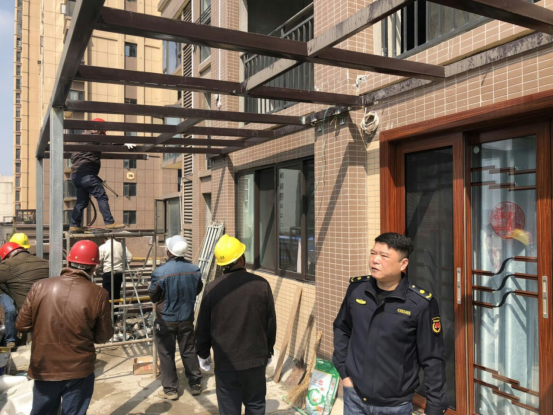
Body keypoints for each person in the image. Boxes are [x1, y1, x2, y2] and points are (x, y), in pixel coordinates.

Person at [333, 232, 448, 415]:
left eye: (384, 256)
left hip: (394, 406)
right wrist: (344, 372)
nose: (375, 260)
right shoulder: (357, 290)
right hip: (354, 397)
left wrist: (434, 407)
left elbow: (432, 358)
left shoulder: (420, 303)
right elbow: (341, 328)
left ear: (403, 264)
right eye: (373, 253)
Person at [15, 240, 113, 415]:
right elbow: (103, 336)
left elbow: (22, 325)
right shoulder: (99, 294)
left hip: (44, 366)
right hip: (79, 369)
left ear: (68, 262)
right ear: (94, 268)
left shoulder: (40, 286)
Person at [195, 235, 277, 415]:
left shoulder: (212, 288)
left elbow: (203, 326)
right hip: (255, 359)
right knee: (255, 405)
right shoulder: (261, 285)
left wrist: (203, 353)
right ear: (241, 258)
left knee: (229, 408)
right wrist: (269, 349)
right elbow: (270, 323)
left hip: (226, 362)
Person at [149, 235, 203, 400]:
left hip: (166, 320)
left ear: (168, 251)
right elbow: (197, 289)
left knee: (166, 353)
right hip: (186, 317)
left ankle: (171, 389)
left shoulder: (160, 272)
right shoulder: (194, 269)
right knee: (188, 349)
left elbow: (153, 296)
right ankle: (195, 383)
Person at [69, 118, 126, 232]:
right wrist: (124, 142)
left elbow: (73, 158)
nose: (101, 134)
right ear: (97, 129)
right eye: (101, 132)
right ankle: (109, 222)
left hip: (76, 176)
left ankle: (74, 225)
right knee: (101, 197)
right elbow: (109, 142)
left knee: (81, 202)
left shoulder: (80, 139)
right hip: (87, 175)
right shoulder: (93, 136)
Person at [0, 242, 49, 349]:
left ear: (7, 256)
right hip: (51, 309)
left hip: (28, 313)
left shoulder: (7, 265)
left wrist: (9, 292)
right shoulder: (44, 262)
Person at [98, 237, 133, 303]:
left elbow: (98, 261)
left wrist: (96, 271)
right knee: (116, 294)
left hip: (108, 272)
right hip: (119, 272)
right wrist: (123, 266)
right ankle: (116, 308)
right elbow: (129, 257)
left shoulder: (103, 247)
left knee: (107, 294)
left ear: (104, 239)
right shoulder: (121, 245)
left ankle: (108, 309)